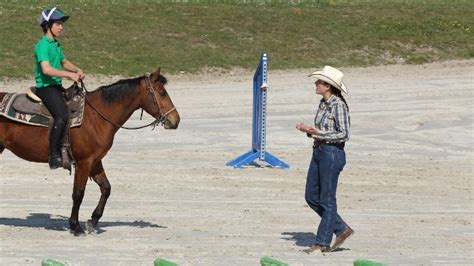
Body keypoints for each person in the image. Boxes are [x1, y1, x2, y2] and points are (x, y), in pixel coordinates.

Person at [296, 65, 354, 253]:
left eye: (319, 81)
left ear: (327, 86)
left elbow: (344, 134)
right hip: (319, 151)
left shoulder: (338, 105)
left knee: (327, 199)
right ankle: (341, 228)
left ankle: (322, 242)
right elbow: (322, 131)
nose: (316, 83)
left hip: (332, 153)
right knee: (311, 197)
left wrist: (318, 132)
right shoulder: (323, 103)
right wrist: (310, 132)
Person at [34, 7, 84, 169]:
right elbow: (46, 69)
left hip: (56, 86)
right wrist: (69, 75)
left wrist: (76, 69)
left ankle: (70, 148)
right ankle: (54, 155)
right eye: (58, 23)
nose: (61, 27)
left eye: (62, 24)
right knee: (61, 116)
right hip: (46, 88)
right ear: (48, 25)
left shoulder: (55, 44)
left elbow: (64, 62)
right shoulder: (42, 45)